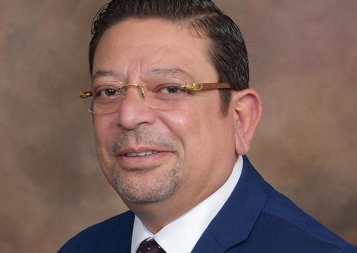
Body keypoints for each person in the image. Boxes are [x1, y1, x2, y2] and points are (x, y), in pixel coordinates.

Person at [59, 0, 357, 252]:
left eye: (170, 89)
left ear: (241, 118)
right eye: (109, 91)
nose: (129, 116)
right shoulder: (82, 247)